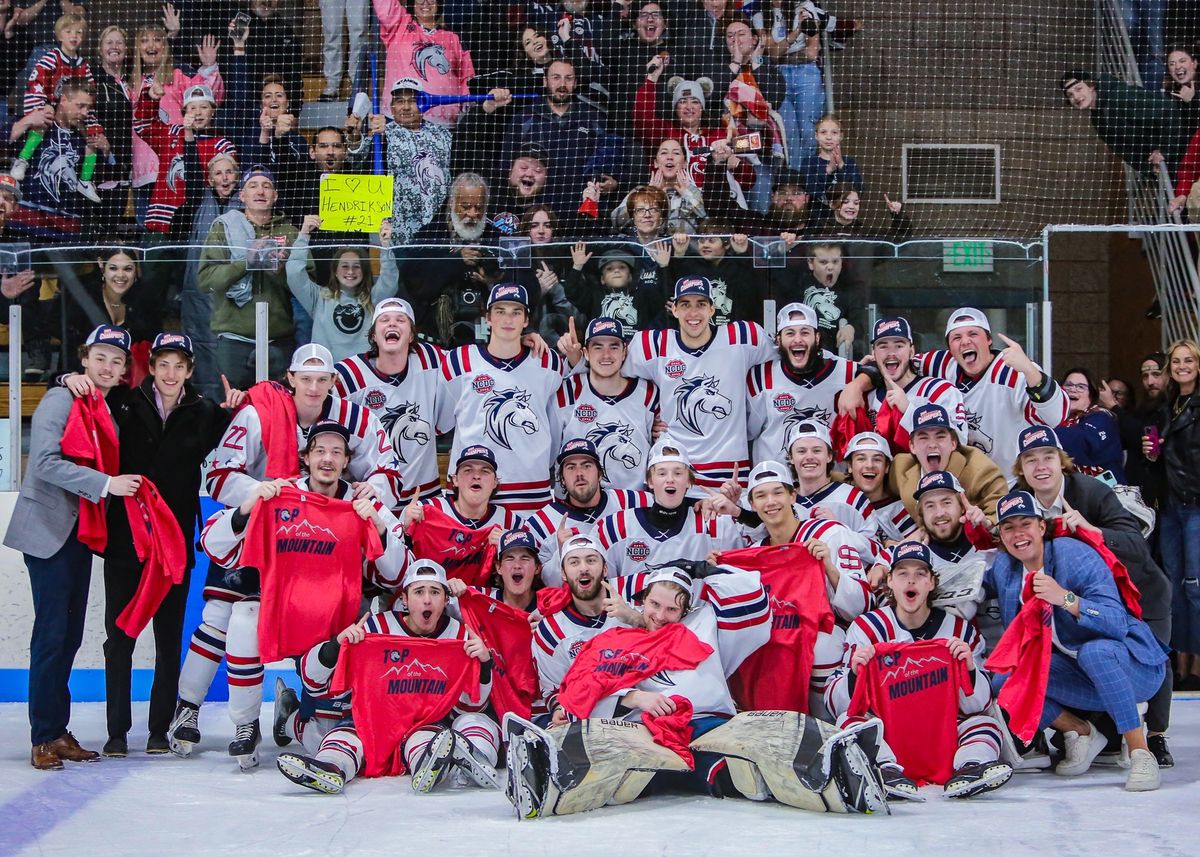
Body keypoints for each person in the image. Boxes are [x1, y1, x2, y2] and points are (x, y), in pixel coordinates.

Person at [58, 332, 236, 756]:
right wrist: (66, 378)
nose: (170, 373)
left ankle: (159, 729)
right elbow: (82, 404)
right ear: (151, 367)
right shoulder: (122, 403)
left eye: (180, 366)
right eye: (163, 364)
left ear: (190, 371)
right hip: (125, 540)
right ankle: (117, 732)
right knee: (119, 637)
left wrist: (240, 409)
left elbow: (240, 442)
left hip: (174, 543)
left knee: (168, 637)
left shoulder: (204, 411)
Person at [195, 420, 411, 769]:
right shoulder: (280, 495)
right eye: (320, 451)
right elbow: (213, 545)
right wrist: (248, 507)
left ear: (346, 461)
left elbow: (398, 573)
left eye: (336, 453)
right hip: (285, 614)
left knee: (324, 733)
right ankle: (246, 724)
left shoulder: (361, 501)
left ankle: (292, 714)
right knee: (243, 619)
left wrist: (378, 524)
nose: (328, 459)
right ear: (306, 457)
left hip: (336, 625)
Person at [4, 324, 143, 770]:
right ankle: (43, 737)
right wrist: (106, 484)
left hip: (81, 533)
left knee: (69, 637)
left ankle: (57, 730)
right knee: (51, 636)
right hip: (50, 532)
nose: (107, 366)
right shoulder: (60, 398)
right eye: (100, 357)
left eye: (116, 360)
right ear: (84, 359)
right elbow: (44, 463)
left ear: (124, 370)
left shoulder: (104, 404)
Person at [1012, 423, 1174, 766]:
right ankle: (1092, 732)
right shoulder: (1021, 501)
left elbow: (1135, 543)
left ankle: (1155, 738)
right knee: (1081, 660)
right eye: (1030, 459)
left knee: (1152, 658)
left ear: (1062, 461)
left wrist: (1092, 529)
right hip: (1085, 598)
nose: (1040, 466)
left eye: (1047, 457)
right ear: (1021, 468)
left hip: (1140, 594)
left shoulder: (1091, 491)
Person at [986, 490, 1167, 792]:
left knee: (1094, 652)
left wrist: (1066, 599)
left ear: (1041, 527)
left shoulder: (1074, 555)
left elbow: (1116, 621)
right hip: (1079, 675)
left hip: (1134, 666)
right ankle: (1081, 731)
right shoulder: (1006, 568)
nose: (1018, 534)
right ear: (1001, 536)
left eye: (1025, 524)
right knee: (1002, 680)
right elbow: (967, 585)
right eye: (1008, 527)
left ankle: (1140, 752)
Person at [277, 558, 498, 794]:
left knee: (427, 740)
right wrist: (336, 647)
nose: (426, 599)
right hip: (369, 721)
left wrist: (483, 665)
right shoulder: (375, 629)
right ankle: (330, 767)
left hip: (423, 723)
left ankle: (428, 765)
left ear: (445, 600)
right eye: (419, 591)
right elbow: (312, 681)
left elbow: (469, 706)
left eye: (435, 592)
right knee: (342, 737)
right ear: (404, 598)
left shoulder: (461, 636)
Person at [826, 540, 1012, 800]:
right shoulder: (867, 629)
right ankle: (885, 771)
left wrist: (969, 669)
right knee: (848, 722)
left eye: (920, 574)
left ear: (931, 583)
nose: (910, 581)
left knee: (985, 724)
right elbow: (836, 705)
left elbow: (977, 706)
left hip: (941, 735)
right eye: (902, 574)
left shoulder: (960, 631)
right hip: (889, 734)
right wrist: (855, 673)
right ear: (890, 581)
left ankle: (970, 768)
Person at [622, 275, 774, 489]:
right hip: (676, 472)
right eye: (685, 305)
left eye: (701, 304)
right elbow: (613, 375)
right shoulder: (655, 345)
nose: (693, 313)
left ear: (713, 308)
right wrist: (646, 420)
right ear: (674, 309)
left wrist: (840, 386)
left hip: (730, 476)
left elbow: (788, 361)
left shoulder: (743, 337)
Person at [436, 283, 564, 512]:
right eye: (500, 311)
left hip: (531, 487)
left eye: (516, 312)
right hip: (472, 489)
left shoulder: (548, 362)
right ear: (488, 318)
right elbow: (441, 421)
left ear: (526, 321)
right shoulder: (457, 362)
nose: (508, 319)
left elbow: (555, 422)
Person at [911, 307, 1067, 478]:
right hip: (960, 485)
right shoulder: (939, 364)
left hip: (1009, 483)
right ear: (950, 348)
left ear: (989, 340)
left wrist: (1030, 371)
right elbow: (899, 362)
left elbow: (1056, 417)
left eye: (973, 334)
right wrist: (876, 369)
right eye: (956, 337)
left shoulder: (1014, 371)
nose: (965, 341)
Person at [333, 297, 445, 503]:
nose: (392, 323)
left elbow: (476, 364)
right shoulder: (347, 375)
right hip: (369, 497)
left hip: (424, 498)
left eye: (400, 320)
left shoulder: (430, 358)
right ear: (373, 335)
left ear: (411, 335)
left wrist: (517, 342)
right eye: (384, 320)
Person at [198, 165, 301, 387]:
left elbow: (308, 286)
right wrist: (247, 262)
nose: (260, 191)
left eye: (267, 186)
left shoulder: (291, 233)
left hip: (278, 341)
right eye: (253, 186)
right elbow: (206, 281)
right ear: (242, 196)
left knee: (277, 409)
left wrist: (281, 272)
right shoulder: (223, 229)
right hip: (234, 341)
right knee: (232, 411)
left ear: (275, 196)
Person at [596, 436, 746, 575]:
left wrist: (737, 509)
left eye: (678, 473)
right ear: (649, 482)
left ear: (689, 481)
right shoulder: (614, 527)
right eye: (662, 473)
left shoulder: (716, 523)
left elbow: (744, 571)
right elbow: (602, 587)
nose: (670, 479)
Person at [532, 533, 636, 723]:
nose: (584, 568)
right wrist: (558, 709)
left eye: (591, 560)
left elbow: (670, 627)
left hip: (641, 714)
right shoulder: (551, 630)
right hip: (589, 721)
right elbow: (554, 690)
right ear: (563, 573)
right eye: (574, 562)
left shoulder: (633, 595)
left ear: (605, 568)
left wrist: (634, 618)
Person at [1144, 339, 1200, 692]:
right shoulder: (1167, 407)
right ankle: (1180, 661)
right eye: (1176, 361)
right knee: (1174, 587)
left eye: (1189, 360)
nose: (1182, 366)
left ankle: (1197, 662)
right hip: (1170, 505)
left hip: (1195, 503)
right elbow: (1161, 457)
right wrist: (1151, 454)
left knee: (1195, 586)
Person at [523, 437, 652, 584]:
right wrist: (560, 552)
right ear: (562, 479)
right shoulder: (541, 523)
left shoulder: (633, 502)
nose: (579, 473)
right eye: (571, 467)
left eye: (587, 466)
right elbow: (541, 585)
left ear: (600, 473)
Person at [553, 317, 661, 491]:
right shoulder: (566, 392)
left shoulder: (649, 393)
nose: (606, 355)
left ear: (624, 351)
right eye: (597, 347)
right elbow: (550, 454)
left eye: (614, 346)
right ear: (586, 352)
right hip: (577, 507)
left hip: (633, 507)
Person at [746, 302, 857, 464]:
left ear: (817, 337)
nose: (798, 340)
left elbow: (877, 373)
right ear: (778, 340)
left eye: (805, 333)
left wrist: (859, 383)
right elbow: (746, 432)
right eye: (790, 333)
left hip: (830, 483)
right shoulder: (760, 377)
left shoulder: (847, 373)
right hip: (777, 484)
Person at [400, 172, 503, 343]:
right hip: (435, 336)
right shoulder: (429, 235)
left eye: (479, 208)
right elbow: (412, 282)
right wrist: (456, 262)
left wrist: (492, 282)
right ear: (452, 203)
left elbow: (520, 281)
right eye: (466, 206)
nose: (472, 214)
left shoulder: (496, 238)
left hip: (486, 336)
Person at [357, 78, 453, 244]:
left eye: (413, 101)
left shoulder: (443, 135)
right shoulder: (383, 134)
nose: (406, 107)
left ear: (425, 105)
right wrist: (354, 136)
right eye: (400, 101)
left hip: (438, 227)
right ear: (392, 108)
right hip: (396, 230)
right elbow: (359, 158)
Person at [288, 218, 399, 361]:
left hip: (363, 374)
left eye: (357, 266)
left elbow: (390, 279)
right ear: (335, 271)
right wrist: (303, 235)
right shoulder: (319, 298)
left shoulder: (373, 298)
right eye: (345, 266)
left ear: (364, 271)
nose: (351, 271)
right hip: (328, 374)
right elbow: (293, 274)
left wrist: (386, 246)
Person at [134, 81, 236, 234]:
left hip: (199, 222)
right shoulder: (172, 133)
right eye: (192, 108)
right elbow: (142, 126)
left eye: (204, 107)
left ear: (213, 111)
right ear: (184, 112)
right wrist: (150, 99)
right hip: (161, 221)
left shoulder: (222, 145)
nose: (198, 113)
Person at [890, 403, 1007, 522]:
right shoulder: (900, 469)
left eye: (940, 437)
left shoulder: (981, 471)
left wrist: (986, 523)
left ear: (953, 443)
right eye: (923, 438)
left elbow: (1003, 516)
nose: (932, 445)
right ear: (912, 446)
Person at [1061, 70, 1190, 176]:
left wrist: (1165, 151)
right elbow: (1126, 152)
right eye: (1070, 95)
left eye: (1079, 89)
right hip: (1169, 167)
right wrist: (1150, 170)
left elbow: (1168, 110)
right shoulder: (1097, 119)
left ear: (1091, 86)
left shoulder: (1120, 96)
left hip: (1185, 152)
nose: (1076, 97)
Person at [374, 0, 475, 126]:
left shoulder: (453, 37)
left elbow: (466, 78)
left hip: (443, 126)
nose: (425, 2)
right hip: (399, 121)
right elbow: (384, 4)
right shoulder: (400, 25)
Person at [1056, 367, 1125, 481]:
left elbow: (1082, 440)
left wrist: (1042, 433)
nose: (1073, 389)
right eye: (1068, 385)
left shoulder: (1102, 417)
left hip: (1104, 493)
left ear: (1091, 396)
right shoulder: (1056, 419)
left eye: (1080, 387)